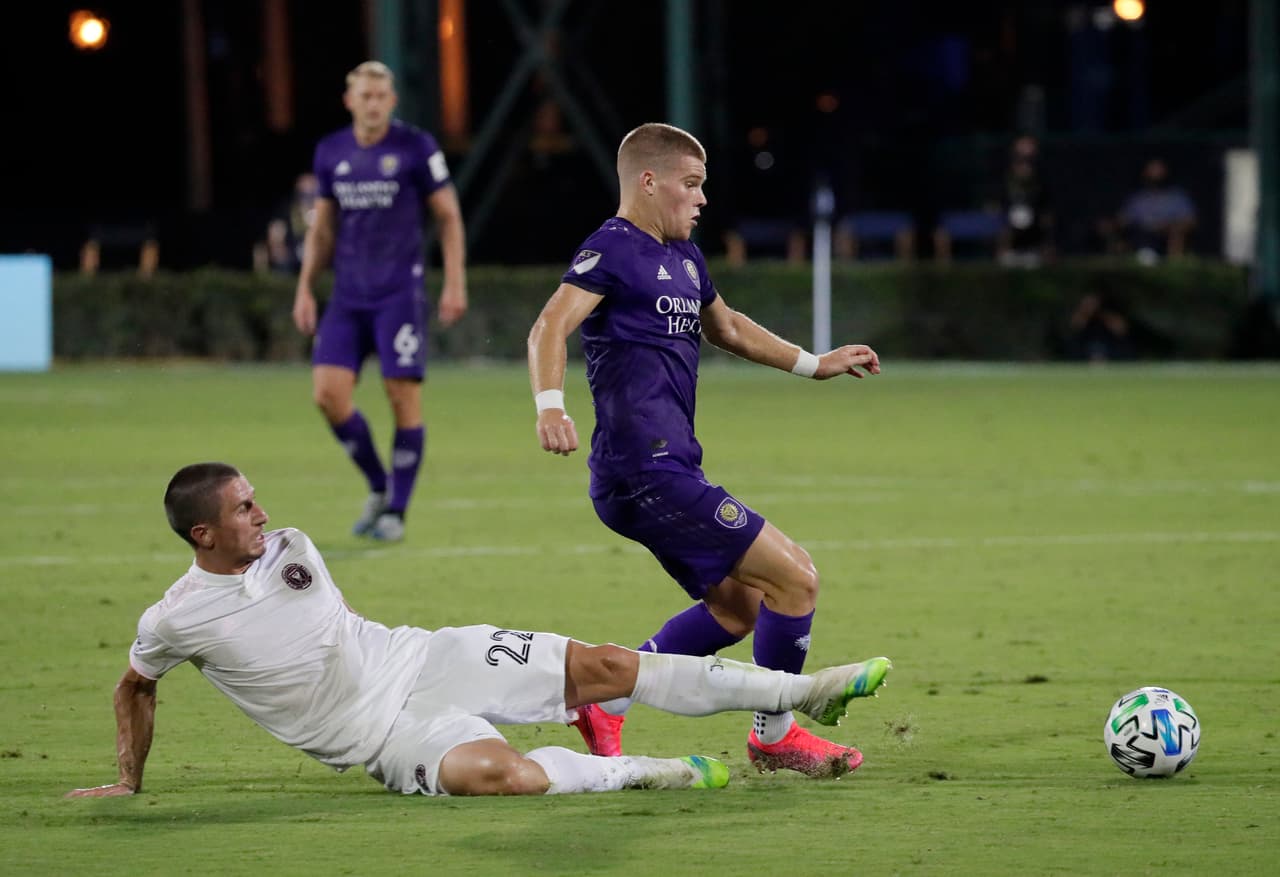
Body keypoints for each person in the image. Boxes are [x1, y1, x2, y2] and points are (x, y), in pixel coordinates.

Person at [65, 463, 891, 800]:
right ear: (202, 532)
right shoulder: (174, 617)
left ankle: (804, 691)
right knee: (502, 776)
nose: (262, 512)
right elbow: (135, 684)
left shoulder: (292, 547)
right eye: (244, 507)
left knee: (607, 664)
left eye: (255, 499)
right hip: (384, 738)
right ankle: (654, 771)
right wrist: (129, 778)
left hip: (428, 655)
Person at [527, 123, 885, 778]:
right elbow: (550, 323)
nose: (701, 199)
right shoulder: (612, 247)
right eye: (691, 185)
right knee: (795, 578)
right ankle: (775, 734)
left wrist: (815, 363)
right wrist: (550, 405)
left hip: (666, 468)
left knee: (736, 607)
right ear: (648, 181)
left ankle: (605, 700)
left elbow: (730, 328)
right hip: (644, 470)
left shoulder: (686, 258)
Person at [292, 61, 468, 543]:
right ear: (349, 101)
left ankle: (397, 511)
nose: (372, 104)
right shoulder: (331, 151)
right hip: (348, 296)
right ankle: (378, 484)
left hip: (399, 296)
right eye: (364, 96)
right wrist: (305, 286)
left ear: (391, 101)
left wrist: (455, 281)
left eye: (380, 96)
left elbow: (449, 216)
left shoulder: (415, 147)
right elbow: (322, 228)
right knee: (328, 396)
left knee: (401, 397)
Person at [1100, 158, 1196, 264]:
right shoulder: (1137, 198)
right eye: (1152, 169)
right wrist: (1112, 224)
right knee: (1119, 236)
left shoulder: (1177, 196)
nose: (1155, 174)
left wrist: (1166, 226)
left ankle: (1174, 264)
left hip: (1166, 237)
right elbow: (1124, 219)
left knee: (1175, 233)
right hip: (1140, 236)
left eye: (1159, 170)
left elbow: (1190, 221)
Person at [996, 134, 1053, 268]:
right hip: (1009, 250)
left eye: (1029, 160)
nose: (1025, 165)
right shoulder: (1003, 184)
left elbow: (1047, 219)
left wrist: (1047, 246)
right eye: (1020, 159)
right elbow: (998, 219)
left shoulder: (1042, 185)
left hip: (1034, 249)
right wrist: (1001, 246)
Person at [255, 172, 319, 275]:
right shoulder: (287, 209)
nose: (308, 196)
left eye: (312, 191)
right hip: (293, 255)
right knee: (278, 259)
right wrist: (277, 246)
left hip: (318, 255)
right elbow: (275, 231)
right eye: (304, 192)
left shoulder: (324, 210)